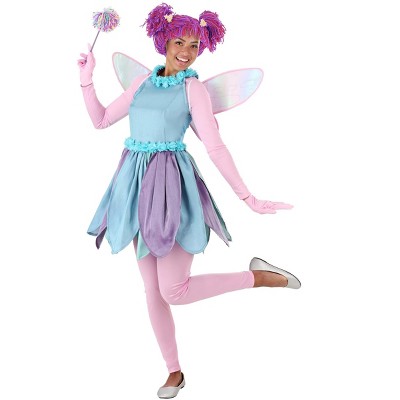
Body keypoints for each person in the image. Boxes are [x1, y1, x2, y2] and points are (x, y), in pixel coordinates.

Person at [77, 3, 301, 398]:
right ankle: (174, 372)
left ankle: (259, 277)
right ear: (164, 41)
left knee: (173, 290)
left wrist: (248, 197)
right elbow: (101, 120)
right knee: (152, 290)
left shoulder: (193, 88)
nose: (186, 51)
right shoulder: (142, 82)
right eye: (179, 42)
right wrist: (86, 81)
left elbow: (214, 146)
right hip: (134, 186)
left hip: (172, 190)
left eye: (194, 45)